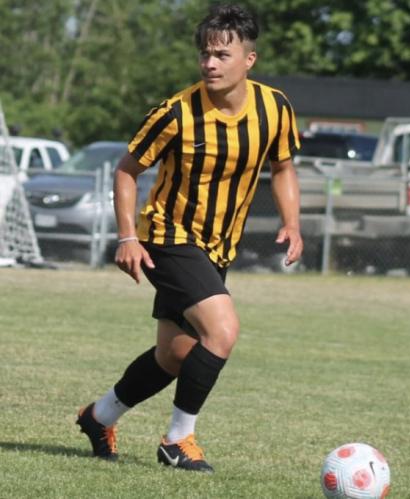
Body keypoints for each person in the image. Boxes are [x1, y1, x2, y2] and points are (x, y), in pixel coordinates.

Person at [76, 3, 303, 472]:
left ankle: (99, 417)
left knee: (175, 356)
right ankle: (178, 441)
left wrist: (292, 222)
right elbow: (126, 170)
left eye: (221, 54)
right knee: (222, 331)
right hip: (167, 235)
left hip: (218, 247)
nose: (210, 63)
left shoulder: (275, 107)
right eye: (205, 53)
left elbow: (283, 167)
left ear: (249, 60)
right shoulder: (176, 112)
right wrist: (126, 237)